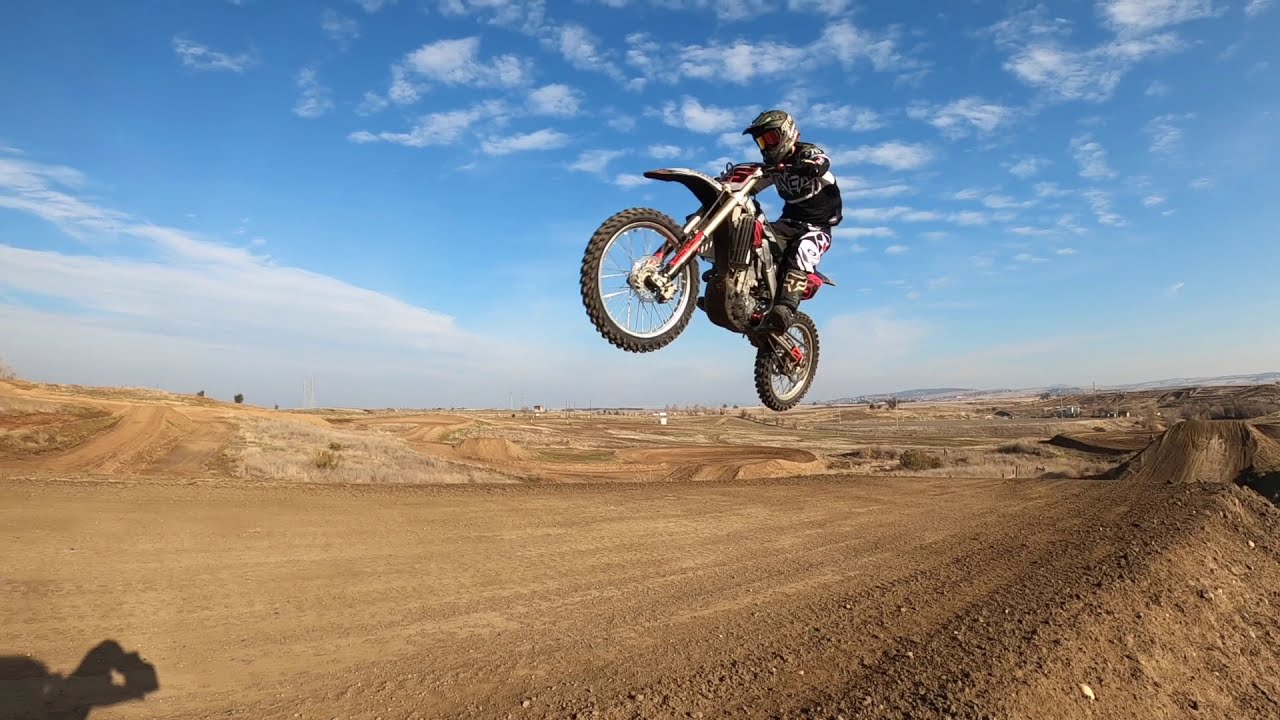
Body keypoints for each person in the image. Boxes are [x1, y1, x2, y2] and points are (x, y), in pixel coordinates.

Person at [740, 109, 842, 331]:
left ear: (786, 133)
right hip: (788, 223)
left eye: (770, 138)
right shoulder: (776, 168)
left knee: (802, 251)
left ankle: (786, 308)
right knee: (755, 236)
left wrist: (812, 165)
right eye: (761, 141)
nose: (766, 146)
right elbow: (754, 185)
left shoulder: (806, 154)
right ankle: (738, 288)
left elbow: (822, 160)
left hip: (817, 228)